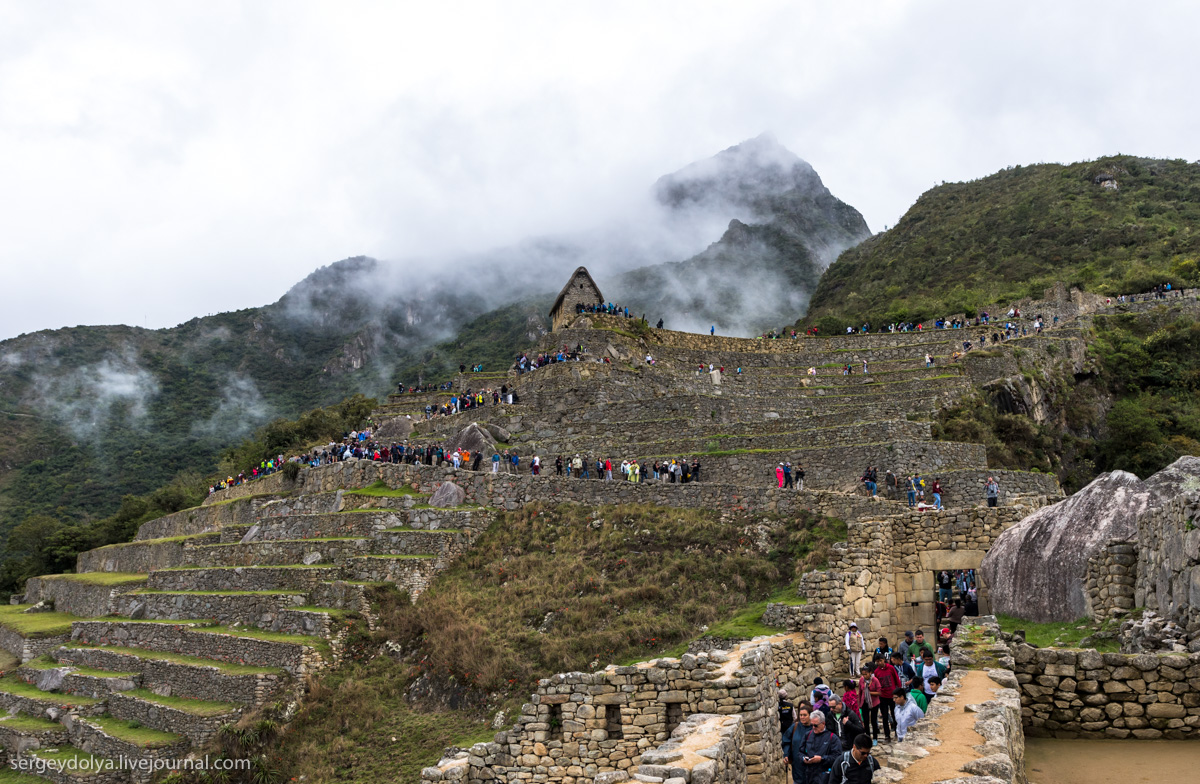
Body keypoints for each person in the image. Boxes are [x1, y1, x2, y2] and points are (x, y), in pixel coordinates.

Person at [800, 711, 842, 784]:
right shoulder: (808, 735)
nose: (813, 727)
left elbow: (837, 757)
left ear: (823, 724)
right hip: (809, 776)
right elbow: (800, 752)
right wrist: (803, 758)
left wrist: (822, 759)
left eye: (815, 725)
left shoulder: (833, 738)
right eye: (811, 725)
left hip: (826, 777)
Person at [782, 703, 813, 781]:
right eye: (800, 715)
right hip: (797, 765)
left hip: (812, 765)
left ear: (810, 715)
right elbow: (786, 741)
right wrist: (786, 754)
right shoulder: (795, 727)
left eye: (805, 715)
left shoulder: (815, 728)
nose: (802, 717)